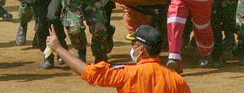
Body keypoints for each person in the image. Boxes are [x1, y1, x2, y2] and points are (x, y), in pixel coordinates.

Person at [46, 24, 190, 93]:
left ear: (142, 49)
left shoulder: (127, 74)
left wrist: (59, 48)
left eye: (134, 44)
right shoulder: (177, 80)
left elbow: (88, 73)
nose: (133, 48)